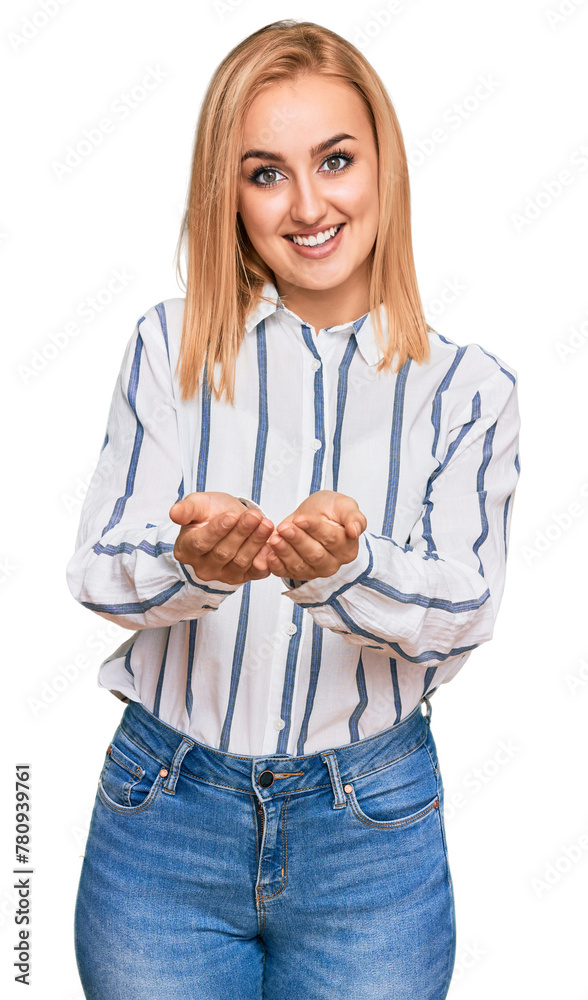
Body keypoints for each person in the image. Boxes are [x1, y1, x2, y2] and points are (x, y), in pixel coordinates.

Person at [66, 19, 521, 1000]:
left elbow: (465, 610)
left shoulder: (471, 389)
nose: (308, 204)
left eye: (336, 160)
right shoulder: (168, 347)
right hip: (164, 821)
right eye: (265, 172)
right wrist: (194, 565)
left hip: (372, 838)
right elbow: (98, 569)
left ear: (383, 167)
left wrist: (346, 572)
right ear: (225, 194)